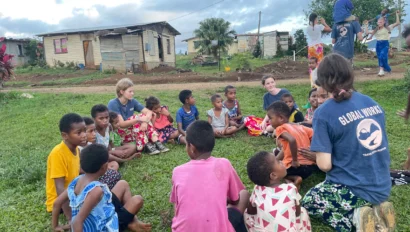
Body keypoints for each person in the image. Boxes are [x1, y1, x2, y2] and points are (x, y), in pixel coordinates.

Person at [301, 54, 394, 232]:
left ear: (323, 82)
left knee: (310, 201)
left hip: (356, 188)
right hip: (383, 185)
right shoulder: (372, 102)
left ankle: (356, 219)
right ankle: (378, 210)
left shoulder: (323, 113)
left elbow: (325, 165)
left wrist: (317, 156)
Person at [170, 120, 249, 232]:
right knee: (244, 194)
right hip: (218, 228)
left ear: (191, 147)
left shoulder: (177, 171)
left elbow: (177, 207)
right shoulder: (224, 164)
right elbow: (235, 201)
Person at [52, 144, 152, 232]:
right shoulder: (96, 190)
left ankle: (133, 221)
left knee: (123, 184)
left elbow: (57, 203)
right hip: (104, 226)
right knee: (137, 200)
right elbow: (77, 221)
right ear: (105, 167)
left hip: (101, 211)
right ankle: (130, 223)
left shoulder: (77, 180)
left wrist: (55, 226)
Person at [244, 151, 312, 232]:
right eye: (278, 162)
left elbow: (251, 211)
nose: (282, 162)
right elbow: (297, 214)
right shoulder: (291, 189)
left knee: (246, 214)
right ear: (273, 175)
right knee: (303, 211)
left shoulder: (257, 189)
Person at [45, 113, 85, 221]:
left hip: (74, 192)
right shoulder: (57, 154)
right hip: (62, 201)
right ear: (65, 135)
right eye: (79, 133)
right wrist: (70, 217)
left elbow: (78, 170)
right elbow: (60, 189)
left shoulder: (76, 148)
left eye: (84, 131)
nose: (84, 135)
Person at [267, 101, 315, 189]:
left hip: (295, 166)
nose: (269, 121)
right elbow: (314, 135)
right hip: (310, 168)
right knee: (277, 165)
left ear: (281, 118)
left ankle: (295, 178)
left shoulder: (280, 128)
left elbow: (292, 140)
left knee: (275, 172)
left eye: (270, 118)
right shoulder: (300, 127)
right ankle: (291, 181)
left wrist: (295, 160)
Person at [80, 117, 122, 190]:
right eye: (91, 131)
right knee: (115, 176)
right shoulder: (79, 148)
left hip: (96, 172)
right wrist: (98, 170)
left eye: (94, 131)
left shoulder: (90, 144)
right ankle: (101, 188)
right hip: (88, 177)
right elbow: (79, 169)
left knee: (115, 164)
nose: (94, 134)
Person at [364, 11, 401, 76]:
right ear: (377, 23)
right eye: (378, 22)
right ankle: (385, 70)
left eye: (381, 22)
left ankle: (384, 70)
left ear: (384, 22)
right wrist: (366, 24)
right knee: (381, 58)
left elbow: (397, 23)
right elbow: (367, 32)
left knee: (382, 56)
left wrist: (397, 14)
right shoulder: (376, 30)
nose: (379, 23)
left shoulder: (388, 28)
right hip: (378, 44)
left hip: (385, 43)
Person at [306, 13, 331, 86]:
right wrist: (324, 23)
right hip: (318, 47)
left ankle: (312, 83)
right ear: (315, 19)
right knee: (319, 64)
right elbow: (329, 29)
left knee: (311, 65)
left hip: (311, 47)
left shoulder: (307, 28)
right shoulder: (319, 26)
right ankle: (319, 82)